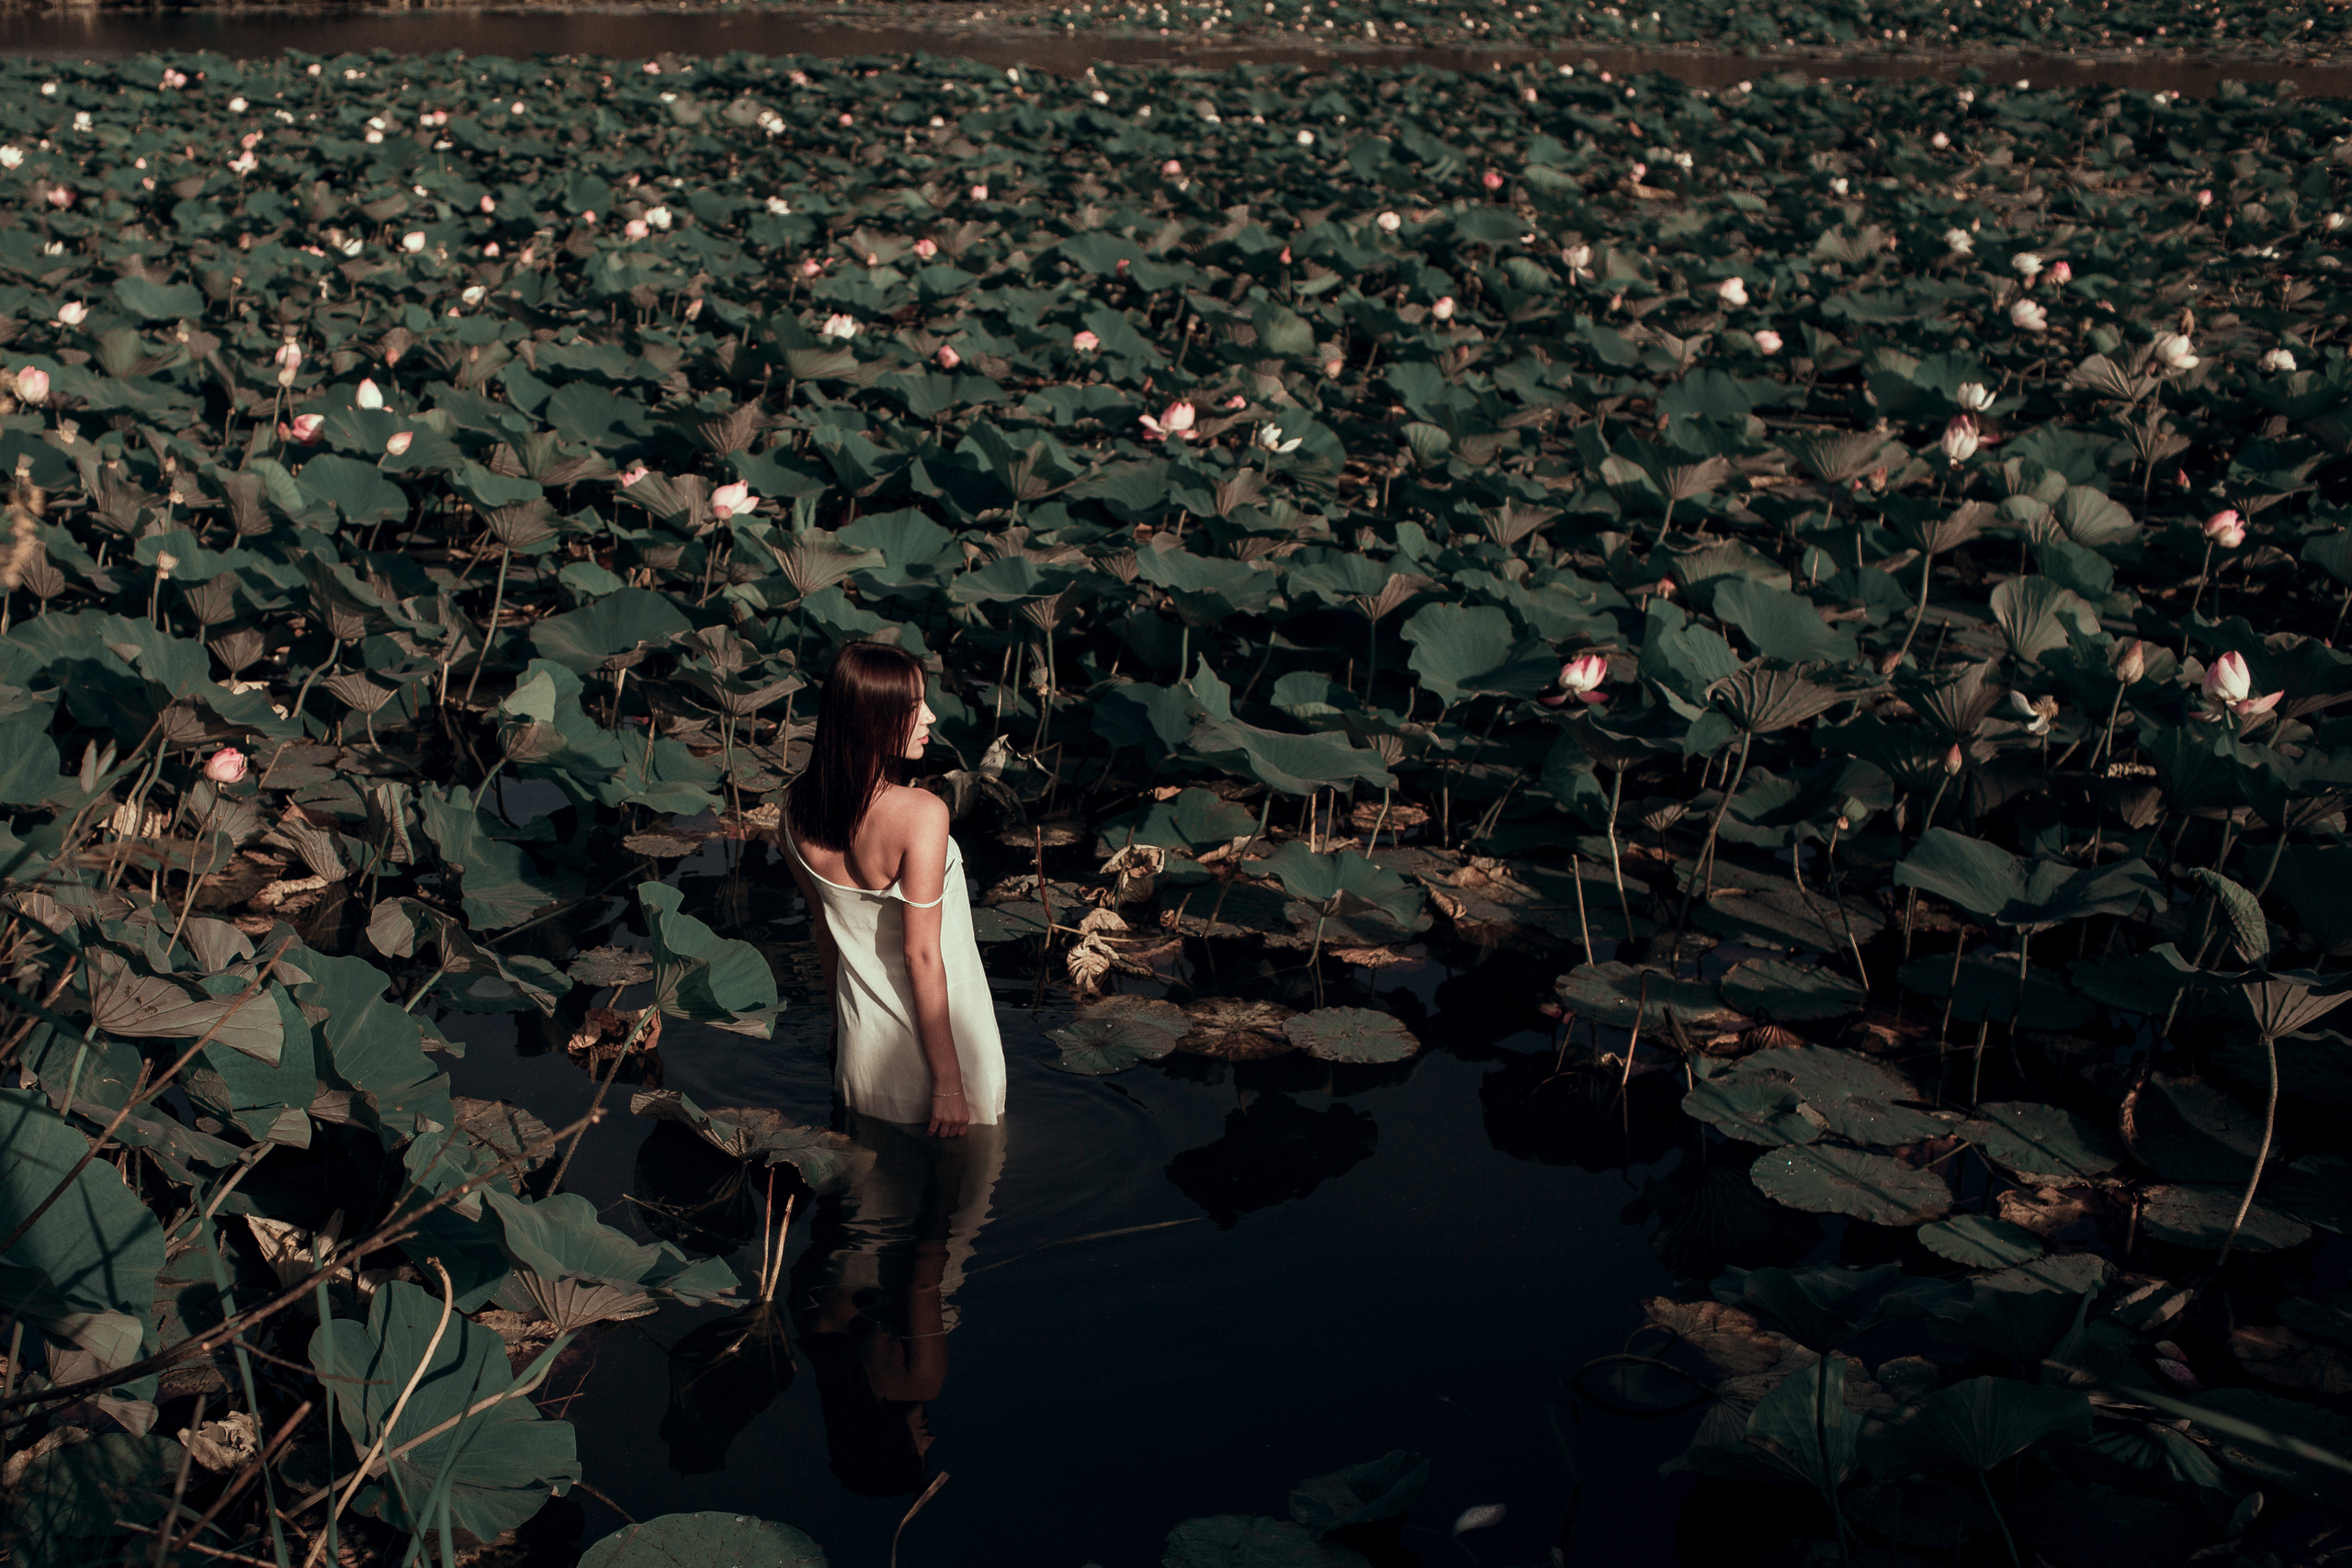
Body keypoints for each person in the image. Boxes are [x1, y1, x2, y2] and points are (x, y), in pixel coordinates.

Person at [778, 640, 1007, 1137]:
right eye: (911, 707)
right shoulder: (922, 814)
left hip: (863, 1051)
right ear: (869, 718)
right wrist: (948, 1083)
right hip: (945, 1055)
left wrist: (839, 1027)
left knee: (867, 1208)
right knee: (970, 1201)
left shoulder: (795, 808)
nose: (929, 716)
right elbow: (921, 956)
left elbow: (825, 932)